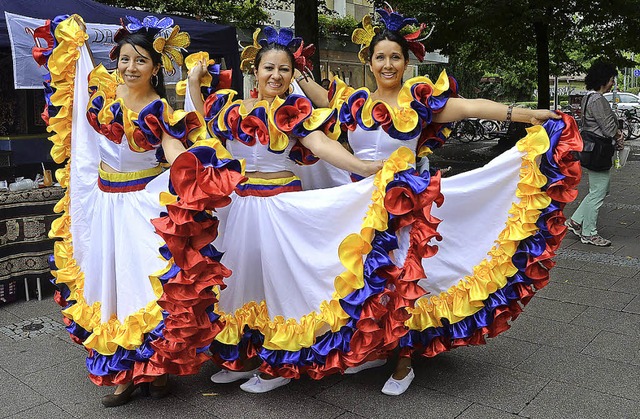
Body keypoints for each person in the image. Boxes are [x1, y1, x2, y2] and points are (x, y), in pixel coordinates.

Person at [294, 7, 582, 395]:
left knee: (405, 278)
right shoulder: (353, 102)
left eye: (395, 56)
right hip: (360, 206)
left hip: (406, 206)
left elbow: (470, 107)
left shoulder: (418, 101)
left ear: (406, 61)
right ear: (369, 61)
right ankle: (377, 347)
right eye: (380, 56)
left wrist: (526, 113)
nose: (388, 64)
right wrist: (293, 73)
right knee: (365, 280)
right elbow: (317, 95)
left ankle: (404, 360)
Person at [33, 14, 236, 407]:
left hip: (144, 206)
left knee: (145, 288)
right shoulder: (101, 98)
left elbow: (175, 151)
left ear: (156, 67)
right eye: (125, 59)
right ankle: (122, 376)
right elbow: (81, 76)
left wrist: (194, 172)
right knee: (108, 286)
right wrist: (75, 43)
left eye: (140, 60)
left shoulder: (160, 109)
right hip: (104, 206)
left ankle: (156, 370)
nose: (130, 67)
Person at [182, 26, 386, 393]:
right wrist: (194, 83)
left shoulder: (294, 112)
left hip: (280, 209)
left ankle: (278, 366)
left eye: (284, 70)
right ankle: (243, 358)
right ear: (254, 71)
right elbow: (202, 122)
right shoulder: (231, 108)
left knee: (280, 286)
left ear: (293, 75)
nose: (275, 76)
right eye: (268, 68)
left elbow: (321, 144)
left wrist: (365, 168)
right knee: (239, 284)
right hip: (240, 210)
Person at [565, 61, 624, 246]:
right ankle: (589, 233)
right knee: (598, 191)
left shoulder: (588, 97)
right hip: (599, 150)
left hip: (593, 149)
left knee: (600, 189)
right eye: (612, 79)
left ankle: (575, 221)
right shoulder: (598, 99)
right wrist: (619, 134)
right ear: (604, 79)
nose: (613, 83)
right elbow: (608, 128)